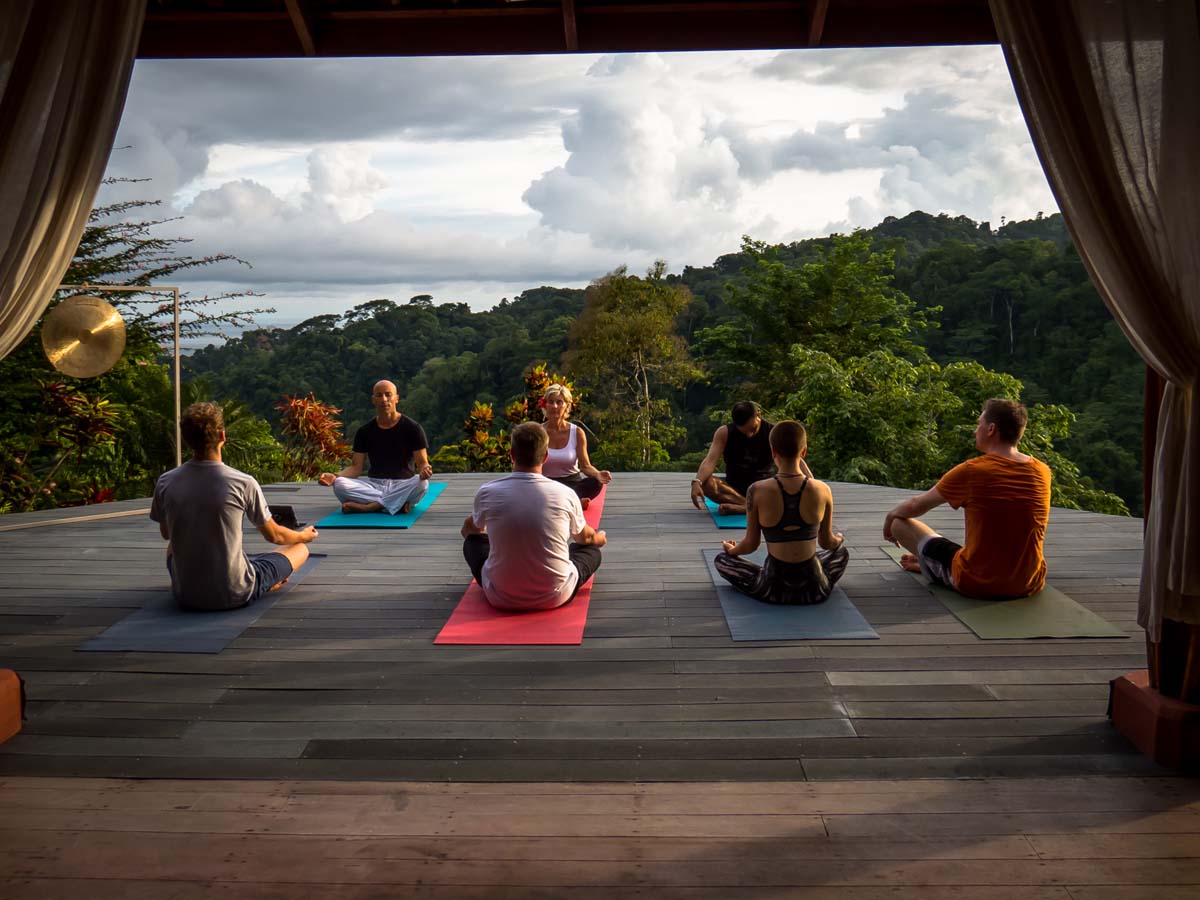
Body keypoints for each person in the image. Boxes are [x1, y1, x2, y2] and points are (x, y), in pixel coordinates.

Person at [150, 402, 318, 611]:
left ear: (186, 438)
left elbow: (167, 534)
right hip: (234, 593)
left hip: (186, 596)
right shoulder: (242, 482)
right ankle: (263, 583)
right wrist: (304, 536)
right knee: (299, 550)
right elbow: (275, 536)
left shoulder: (166, 482)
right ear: (222, 436)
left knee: (172, 545)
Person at [883, 398, 1052, 599]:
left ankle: (935, 568)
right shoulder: (1042, 471)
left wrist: (890, 517)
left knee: (899, 524)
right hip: (1029, 581)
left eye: (978, 424)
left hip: (978, 581)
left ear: (991, 429)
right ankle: (931, 565)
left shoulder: (973, 470)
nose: (975, 431)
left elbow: (916, 506)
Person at [461, 421, 606, 611]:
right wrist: (598, 538)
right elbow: (584, 537)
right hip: (555, 594)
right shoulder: (566, 494)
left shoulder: (487, 492)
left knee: (473, 542)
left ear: (512, 455)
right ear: (545, 456)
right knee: (591, 550)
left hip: (500, 594)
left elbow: (469, 531)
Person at [713, 420, 849, 605]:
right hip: (815, 588)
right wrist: (839, 539)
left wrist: (733, 550)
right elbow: (827, 542)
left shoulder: (756, 490)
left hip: (772, 589)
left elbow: (751, 544)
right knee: (841, 553)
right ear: (804, 452)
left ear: (773, 452)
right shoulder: (822, 489)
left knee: (722, 560)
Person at [317, 380, 433, 514]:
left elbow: (422, 463)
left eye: (388, 394)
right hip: (374, 485)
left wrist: (425, 470)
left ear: (396, 398)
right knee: (339, 485)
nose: (384, 399)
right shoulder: (365, 431)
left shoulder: (413, 428)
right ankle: (397, 503)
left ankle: (370, 507)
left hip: (403, 483)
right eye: (379, 395)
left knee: (422, 484)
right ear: (373, 400)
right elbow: (356, 468)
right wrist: (334, 476)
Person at [690, 400, 811, 515]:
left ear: (758, 414)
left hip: (765, 488)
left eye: (752, 430)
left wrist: (812, 485)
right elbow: (710, 460)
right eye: (744, 432)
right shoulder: (724, 432)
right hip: (734, 491)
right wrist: (697, 482)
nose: (749, 435)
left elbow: (795, 460)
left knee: (789, 484)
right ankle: (748, 506)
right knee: (706, 482)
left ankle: (748, 507)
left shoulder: (773, 432)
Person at [540, 383, 611, 506]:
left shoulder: (577, 432)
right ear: (545, 405)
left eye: (559, 402)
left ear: (567, 406)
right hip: (546, 485)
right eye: (550, 402)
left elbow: (585, 466)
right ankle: (574, 503)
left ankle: (567, 502)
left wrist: (598, 474)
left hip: (572, 485)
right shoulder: (537, 432)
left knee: (595, 483)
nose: (554, 406)